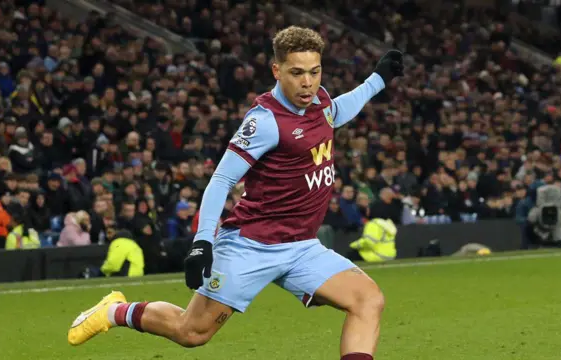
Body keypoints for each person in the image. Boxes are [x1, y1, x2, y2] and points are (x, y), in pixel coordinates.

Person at [67, 26, 404, 360]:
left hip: (301, 246)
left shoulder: (319, 100)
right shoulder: (265, 121)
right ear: (277, 70)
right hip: (251, 244)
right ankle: (115, 311)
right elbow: (221, 180)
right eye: (297, 73)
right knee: (191, 332)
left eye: (314, 72)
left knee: (368, 300)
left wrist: (377, 80)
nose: (307, 82)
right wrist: (202, 242)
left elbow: (335, 113)